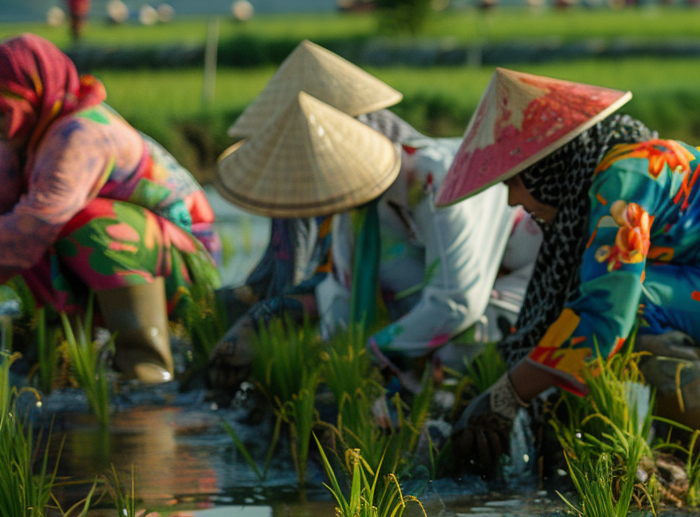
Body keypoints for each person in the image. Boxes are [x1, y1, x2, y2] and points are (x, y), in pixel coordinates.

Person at [441, 69, 700, 472]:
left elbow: (605, 312)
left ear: (547, 166)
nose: (513, 200)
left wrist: (507, 395)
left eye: (514, 181)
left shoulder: (624, 177)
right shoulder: (624, 165)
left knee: (628, 300)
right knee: (610, 295)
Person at [212, 91, 528, 388]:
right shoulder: (360, 210)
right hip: (466, 289)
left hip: (524, 279)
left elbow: (457, 302)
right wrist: (273, 329)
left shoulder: (439, 185)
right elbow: (342, 293)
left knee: (448, 357)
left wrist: (371, 355)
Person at [0, 33, 219, 383]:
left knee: (83, 222)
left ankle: (145, 364)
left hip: (186, 264)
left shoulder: (80, 135)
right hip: (144, 254)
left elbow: (38, 220)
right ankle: (62, 352)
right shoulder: (27, 136)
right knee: (18, 227)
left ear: (35, 94)